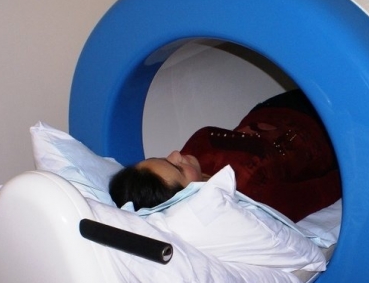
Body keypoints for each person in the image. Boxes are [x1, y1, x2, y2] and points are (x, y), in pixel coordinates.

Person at [109, 90, 341, 222]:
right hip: (325, 133)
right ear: (188, 197)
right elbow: (322, 191)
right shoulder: (251, 196)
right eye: (177, 168)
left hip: (276, 109)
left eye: (164, 158)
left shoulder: (195, 157)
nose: (176, 154)